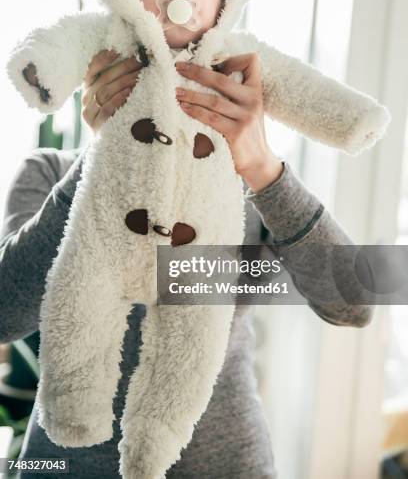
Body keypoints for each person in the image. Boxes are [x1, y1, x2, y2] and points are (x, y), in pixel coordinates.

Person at [1, 40, 373, 479]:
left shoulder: (248, 189)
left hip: (226, 463)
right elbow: (6, 314)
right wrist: (107, 161)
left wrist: (263, 168)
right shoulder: (49, 171)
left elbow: (353, 303)